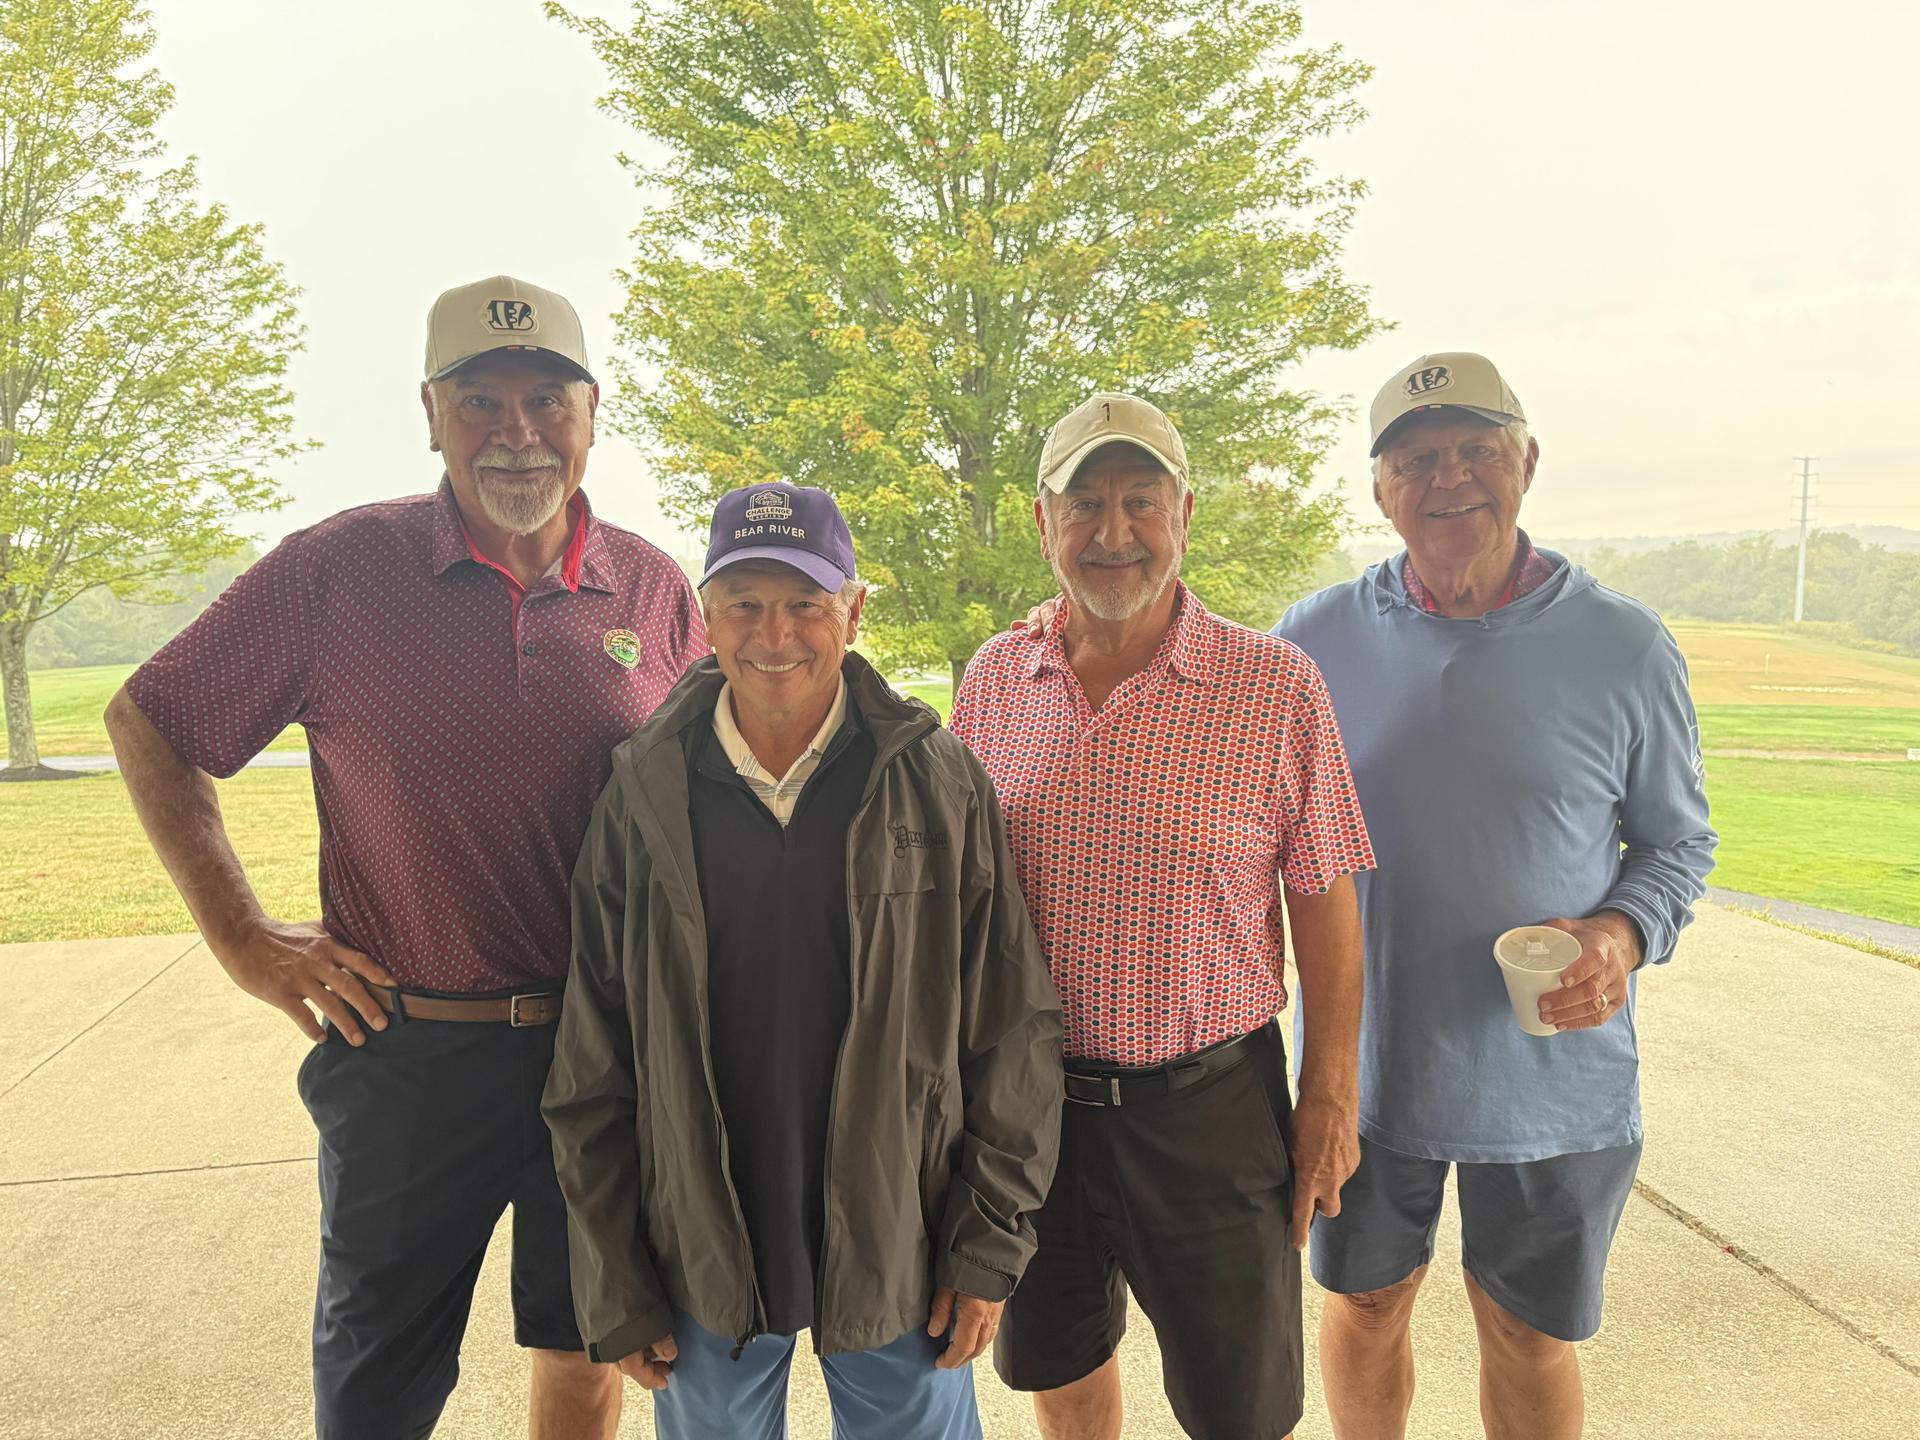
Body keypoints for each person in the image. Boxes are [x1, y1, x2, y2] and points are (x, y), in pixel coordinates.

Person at [103, 276, 708, 1439]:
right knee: (378, 1382)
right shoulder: (336, 572)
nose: (517, 431)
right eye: (480, 401)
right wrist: (243, 937)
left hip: (605, 1051)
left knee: (588, 1343)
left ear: (592, 413)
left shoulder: (650, 585)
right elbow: (153, 721)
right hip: (406, 1052)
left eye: (547, 399)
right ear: (431, 414)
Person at [542, 483, 1063, 1440]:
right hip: (698, 1248)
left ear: (853, 612)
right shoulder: (644, 791)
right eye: (744, 603)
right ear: (705, 617)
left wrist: (987, 1245)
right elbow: (594, 1056)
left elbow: (1012, 1026)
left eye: (805, 603)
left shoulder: (935, 779)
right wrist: (614, 1276)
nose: (773, 634)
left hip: (903, 1238)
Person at [1274, 351, 1718, 1440]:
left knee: (1525, 1330)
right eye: (1418, 458)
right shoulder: (1310, 644)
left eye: (1478, 449)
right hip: (1367, 1067)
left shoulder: (1624, 646)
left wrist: (1620, 932)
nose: (1450, 478)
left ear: (1528, 463)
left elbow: (1677, 844)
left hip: (1554, 1074)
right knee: (1366, 1302)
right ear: (1380, 489)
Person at [947, 393, 1376, 1440]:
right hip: (1030, 1113)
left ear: (1184, 513)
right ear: (1043, 521)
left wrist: (1329, 1095)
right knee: (1059, 1362)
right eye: (1084, 503)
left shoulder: (1275, 685)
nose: (1115, 531)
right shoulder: (996, 678)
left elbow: (1325, 900)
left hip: (1209, 1111)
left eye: (1141, 500)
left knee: (1242, 1409)